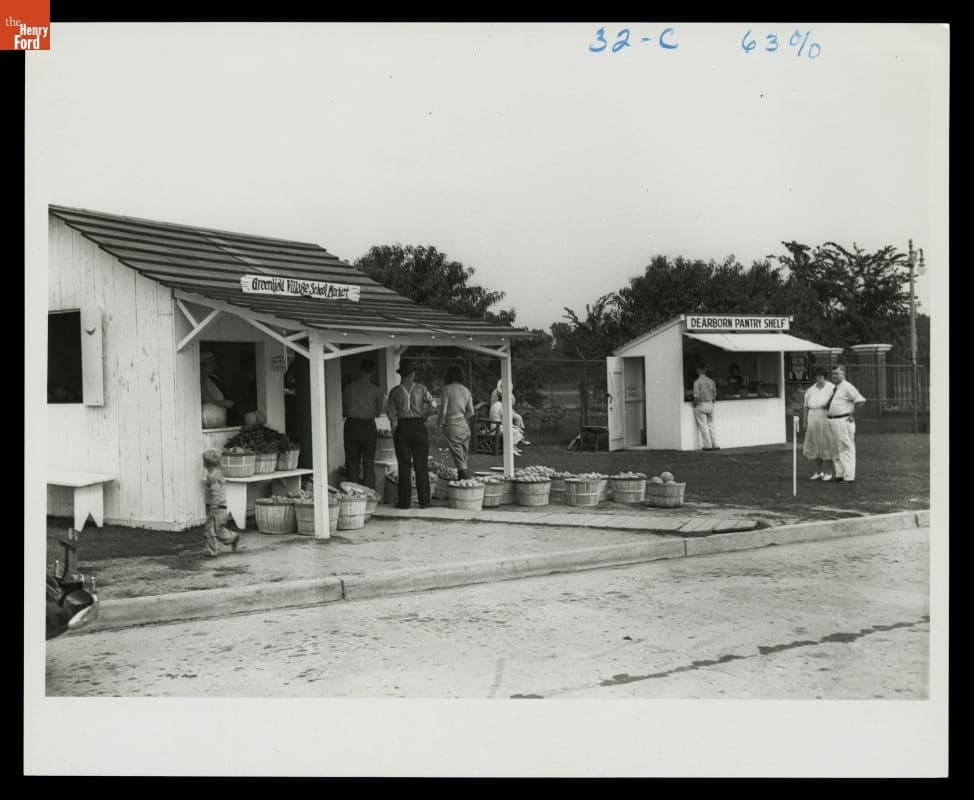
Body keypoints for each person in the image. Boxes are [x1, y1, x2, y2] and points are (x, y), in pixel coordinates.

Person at [385, 359, 437, 509]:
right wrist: (425, 415)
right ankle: (424, 501)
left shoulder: (394, 392)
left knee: (404, 466)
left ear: (401, 375)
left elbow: (391, 415)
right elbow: (433, 405)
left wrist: (396, 431)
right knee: (421, 465)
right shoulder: (421, 389)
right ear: (413, 374)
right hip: (418, 426)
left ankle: (404, 502)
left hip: (402, 427)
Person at [342, 358, 387, 489]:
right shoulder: (377, 391)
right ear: (373, 371)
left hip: (352, 424)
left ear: (360, 370)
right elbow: (379, 412)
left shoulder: (349, 387)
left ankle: (351, 494)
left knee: (352, 462)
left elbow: (344, 408)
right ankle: (370, 493)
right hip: (368, 425)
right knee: (368, 462)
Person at [826, 365, 866, 483]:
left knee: (845, 448)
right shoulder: (835, 388)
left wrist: (854, 415)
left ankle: (849, 476)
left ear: (843, 374)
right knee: (834, 448)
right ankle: (840, 473)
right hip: (832, 420)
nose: (834, 376)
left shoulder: (847, 386)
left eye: (837, 374)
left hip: (843, 421)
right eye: (833, 374)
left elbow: (860, 401)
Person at [437, 365, 476, 479]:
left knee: (460, 460)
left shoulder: (446, 389)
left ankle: (465, 481)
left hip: (452, 427)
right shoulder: (466, 390)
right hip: (464, 427)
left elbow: (443, 411)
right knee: (463, 457)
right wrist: (461, 419)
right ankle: (463, 484)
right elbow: (471, 412)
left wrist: (439, 423)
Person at [201, 450, 240, 558]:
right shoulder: (219, 474)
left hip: (216, 508)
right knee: (218, 529)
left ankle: (211, 551)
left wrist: (213, 506)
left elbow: (215, 492)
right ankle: (233, 537)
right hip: (222, 507)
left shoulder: (211, 476)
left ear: (205, 464)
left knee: (209, 529)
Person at [802, 367, 836, 480]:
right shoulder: (810, 390)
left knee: (826, 443)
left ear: (824, 376)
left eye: (820, 376)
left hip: (825, 417)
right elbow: (805, 407)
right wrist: (805, 421)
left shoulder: (831, 388)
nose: (818, 378)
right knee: (814, 444)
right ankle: (818, 471)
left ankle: (828, 472)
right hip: (813, 417)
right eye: (816, 376)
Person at [692, 364, 719, 450]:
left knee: (703, 426)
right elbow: (715, 396)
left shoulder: (697, 382)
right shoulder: (711, 381)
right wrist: (711, 403)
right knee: (711, 425)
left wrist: (695, 405)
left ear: (699, 370)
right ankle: (715, 444)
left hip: (702, 404)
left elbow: (696, 397)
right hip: (710, 404)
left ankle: (707, 446)